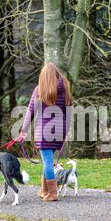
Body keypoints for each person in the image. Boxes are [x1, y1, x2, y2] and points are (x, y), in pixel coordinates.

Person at [18, 62, 73, 201]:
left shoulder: (40, 89)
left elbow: (30, 111)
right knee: (47, 160)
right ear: (57, 73)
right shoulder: (66, 89)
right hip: (59, 130)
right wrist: (65, 133)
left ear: (43, 76)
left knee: (47, 161)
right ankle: (44, 190)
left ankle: (53, 193)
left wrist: (23, 131)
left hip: (44, 130)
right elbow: (69, 114)